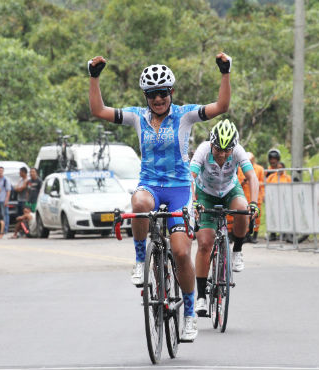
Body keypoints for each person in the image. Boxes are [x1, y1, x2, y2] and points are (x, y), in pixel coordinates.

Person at [88, 52, 232, 341]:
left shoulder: (185, 114)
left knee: (181, 252)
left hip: (179, 190)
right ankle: (141, 261)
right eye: (152, 94)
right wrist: (93, 77)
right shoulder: (137, 117)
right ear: (145, 96)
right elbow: (99, 111)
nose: (158, 99)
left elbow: (221, 106)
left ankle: (190, 313)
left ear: (171, 92)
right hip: (150, 186)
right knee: (138, 202)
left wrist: (225, 72)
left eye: (162, 93)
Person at [190, 120, 259, 316]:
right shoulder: (203, 150)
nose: (221, 154)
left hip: (230, 190)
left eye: (227, 150)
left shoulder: (238, 151)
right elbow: (191, 177)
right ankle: (201, 296)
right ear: (211, 143)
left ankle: (237, 249)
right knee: (204, 243)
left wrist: (254, 203)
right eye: (218, 149)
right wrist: (193, 201)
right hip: (206, 194)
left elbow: (252, 177)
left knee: (243, 209)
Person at [237, 152, 264, 243]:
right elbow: (238, 182)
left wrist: (253, 182)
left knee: (256, 216)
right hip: (244, 196)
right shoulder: (240, 169)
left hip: (256, 197)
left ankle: (254, 236)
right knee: (245, 216)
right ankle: (245, 236)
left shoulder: (260, 169)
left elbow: (262, 182)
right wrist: (244, 181)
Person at [0, 166, 12, 233]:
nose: (0, 172)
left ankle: (5, 229)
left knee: (4, 214)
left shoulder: (6, 180)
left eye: (1, 170)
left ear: (3, 171)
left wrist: (7, 200)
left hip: (3, 199)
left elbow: (8, 190)